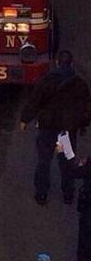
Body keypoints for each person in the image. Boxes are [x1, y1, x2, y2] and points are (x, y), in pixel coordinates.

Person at [20, 50, 91, 205]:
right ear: (71, 63)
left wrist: (25, 120)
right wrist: (83, 125)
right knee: (67, 161)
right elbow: (86, 107)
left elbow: (35, 101)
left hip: (47, 127)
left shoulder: (47, 81)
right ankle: (68, 194)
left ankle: (41, 194)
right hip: (66, 130)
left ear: (57, 62)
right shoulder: (79, 83)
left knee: (44, 161)